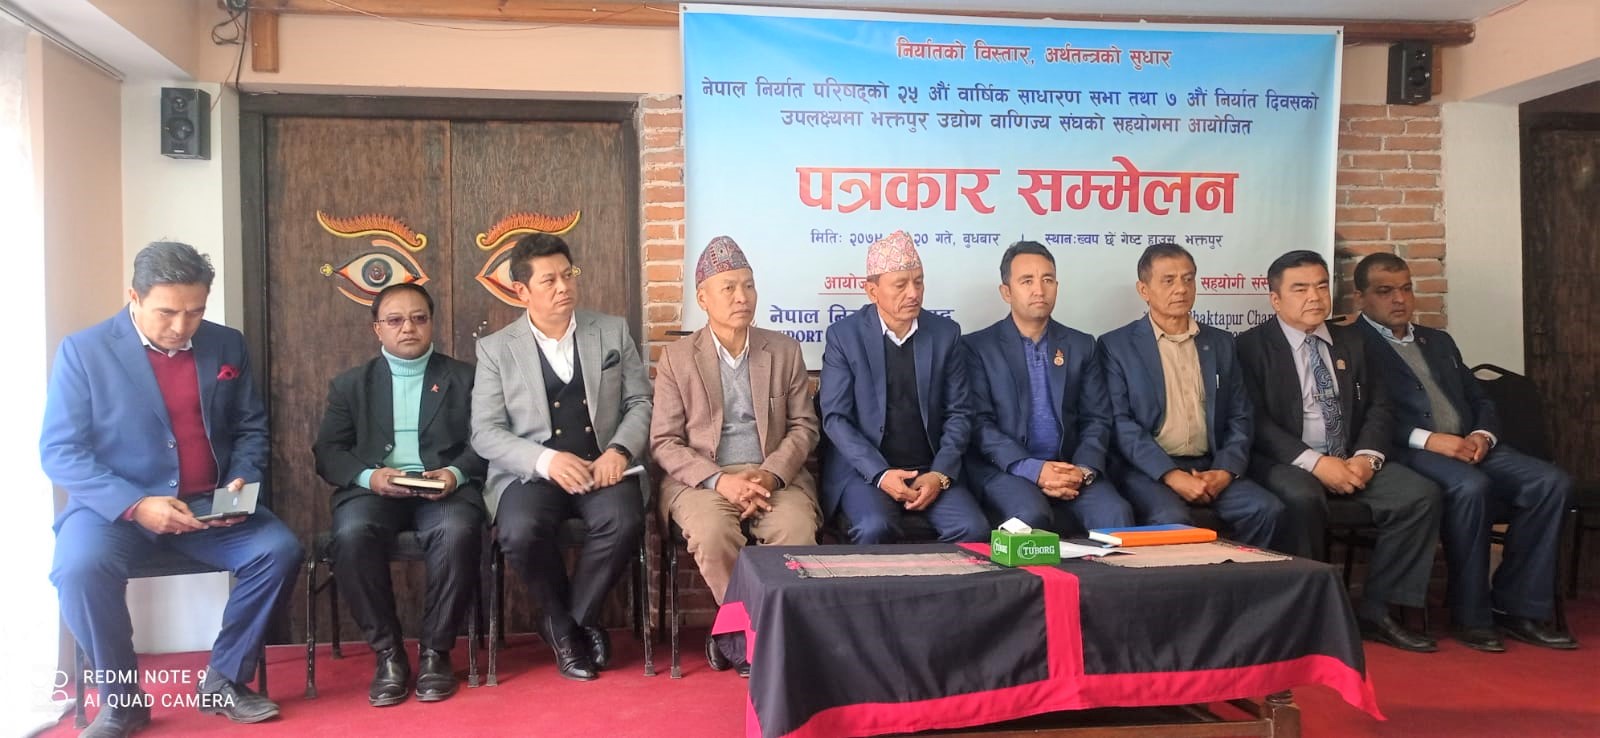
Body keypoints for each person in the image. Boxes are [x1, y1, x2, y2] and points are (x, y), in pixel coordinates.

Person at [42, 242, 302, 736]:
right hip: (113, 511)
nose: (183, 326)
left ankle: (223, 679)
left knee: (278, 550)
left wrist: (241, 481)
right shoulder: (85, 351)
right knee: (78, 568)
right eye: (167, 312)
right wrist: (135, 504)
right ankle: (122, 701)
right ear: (134, 297)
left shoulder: (227, 345)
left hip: (207, 505)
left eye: (195, 311)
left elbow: (251, 428)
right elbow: (60, 451)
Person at [1353, 252, 1576, 651]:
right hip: (1409, 450)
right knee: (1471, 487)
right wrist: (1429, 440)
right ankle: (1471, 615)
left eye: (1406, 288)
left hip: (1470, 444)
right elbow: (1361, 416)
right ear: (1361, 298)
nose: (1399, 299)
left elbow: (1480, 398)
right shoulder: (1353, 345)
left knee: (1551, 483)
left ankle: (1517, 607)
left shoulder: (1437, 340)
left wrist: (1483, 435)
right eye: (1385, 291)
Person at [1236, 249, 1442, 653]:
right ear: (1275, 299)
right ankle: (1308, 615)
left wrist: (1367, 458)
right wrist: (1316, 464)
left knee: (1420, 495)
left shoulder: (1354, 341)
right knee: (1300, 498)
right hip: (1287, 460)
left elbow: (1381, 406)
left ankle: (1379, 612)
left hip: (1352, 456)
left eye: (1321, 286)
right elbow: (1255, 421)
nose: (1314, 297)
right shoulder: (1250, 347)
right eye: (1300, 289)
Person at [471, 233, 651, 681]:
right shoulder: (496, 349)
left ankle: (568, 623)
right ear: (522, 290)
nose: (563, 287)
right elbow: (485, 432)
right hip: (532, 474)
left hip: (602, 465)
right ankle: (569, 626)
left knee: (624, 520)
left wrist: (619, 450)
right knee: (519, 530)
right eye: (549, 280)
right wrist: (545, 461)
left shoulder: (611, 331)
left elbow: (640, 402)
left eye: (567, 275)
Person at [651, 236, 821, 675]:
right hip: (703, 480)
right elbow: (665, 441)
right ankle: (742, 631)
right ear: (702, 298)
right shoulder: (677, 359)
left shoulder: (783, 350)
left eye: (748, 285)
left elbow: (804, 427)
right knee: (712, 534)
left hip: (773, 475)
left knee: (796, 530)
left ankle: (754, 631)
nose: (741, 297)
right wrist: (720, 481)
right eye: (728, 288)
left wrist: (770, 475)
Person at [312, 283, 487, 706]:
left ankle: (435, 653)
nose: (408, 327)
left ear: (431, 324)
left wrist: (455, 473)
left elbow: (486, 441)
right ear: (378, 329)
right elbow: (329, 452)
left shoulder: (465, 378)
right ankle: (388, 654)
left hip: (444, 488)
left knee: (456, 531)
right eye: (395, 320)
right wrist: (369, 477)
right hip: (375, 490)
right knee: (351, 535)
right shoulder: (351, 385)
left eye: (418, 318)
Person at [1098, 243, 1282, 547]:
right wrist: (1170, 475)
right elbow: (1121, 423)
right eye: (1168, 281)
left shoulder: (1221, 343)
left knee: (1266, 510)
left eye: (1188, 279)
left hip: (1210, 465)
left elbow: (1240, 415)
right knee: (1172, 520)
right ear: (1144, 290)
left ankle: (1238, 578)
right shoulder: (1117, 346)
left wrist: (1225, 470)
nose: (1181, 289)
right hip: (1148, 470)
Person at [819, 230, 988, 544]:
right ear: (872, 291)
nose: (913, 293)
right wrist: (880, 474)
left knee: (973, 530)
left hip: (930, 468)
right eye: (900, 285)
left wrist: (939, 474)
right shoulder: (844, 336)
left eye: (919, 282)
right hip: (865, 472)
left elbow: (960, 413)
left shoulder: (945, 334)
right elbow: (836, 419)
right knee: (874, 528)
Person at [962, 241, 1133, 533]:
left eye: (1048, 280)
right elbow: (980, 424)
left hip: (1070, 467)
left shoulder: (1081, 345)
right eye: (1027, 281)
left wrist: (1082, 470)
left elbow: (1097, 419)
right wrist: (1034, 469)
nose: (1039, 290)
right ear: (1006, 292)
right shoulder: (978, 347)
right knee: (1030, 516)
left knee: (1115, 514)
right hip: (1007, 469)